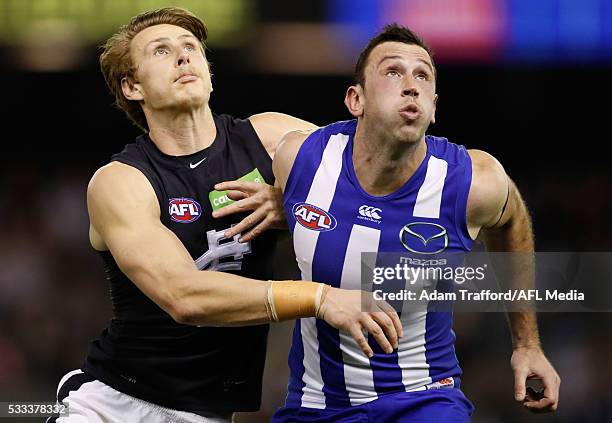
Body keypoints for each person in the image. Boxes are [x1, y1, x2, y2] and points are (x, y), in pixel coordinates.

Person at [48, 8, 403, 423]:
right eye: (161, 51)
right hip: (113, 405)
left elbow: (381, 181)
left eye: (191, 48)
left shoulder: (271, 139)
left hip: (211, 413)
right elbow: (184, 296)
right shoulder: (121, 181)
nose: (183, 58)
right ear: (132, 86)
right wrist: (319, 298)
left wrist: (292, 204)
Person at [272, 24, 561, 422]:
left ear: (434, 106)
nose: (411, 86)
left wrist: (527, 344)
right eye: (393, 72)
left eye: (422, 75)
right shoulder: (298, 158)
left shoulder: (472, 181)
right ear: (356, 99)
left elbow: (513, 220)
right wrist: (273, 201)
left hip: (423, 401)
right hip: (315, 406)